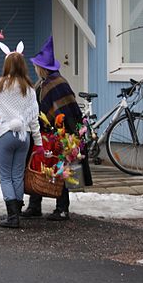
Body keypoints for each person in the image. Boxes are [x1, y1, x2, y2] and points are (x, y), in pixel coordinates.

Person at [21, 36, 93, 221]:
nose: (35, 69)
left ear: (42, 68)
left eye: (37, 66)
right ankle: (34, 205)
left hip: (59, 134)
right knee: (38, 166)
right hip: (47, 133)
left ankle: (62, 208)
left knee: (59, 168)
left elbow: (61, 110)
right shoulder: (47, 82)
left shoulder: (55, 83)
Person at [0, 42, 43, 228]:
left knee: (5, 176)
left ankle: (12, 216)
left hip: (6, 134)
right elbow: (33, 118)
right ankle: (17, 213)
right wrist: (38, 143)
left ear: (6, 65)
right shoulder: (29, 88)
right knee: (17, 175)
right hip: (24, 136)